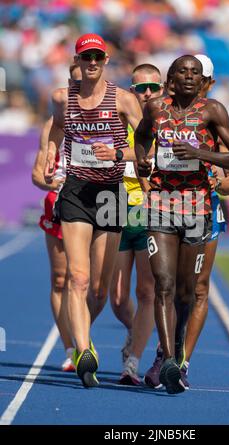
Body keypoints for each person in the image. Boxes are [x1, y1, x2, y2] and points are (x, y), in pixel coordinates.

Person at [135, 54, 229, 394]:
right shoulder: (155, 108)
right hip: (161, 206)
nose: (188, 76)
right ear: (171, 77)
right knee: (163, 285)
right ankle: (169, 361)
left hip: (197, 209)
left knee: (187, 291)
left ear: (202, 81)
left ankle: (178, 351)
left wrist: (202, 154)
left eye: (194, 73)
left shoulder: (213, 111)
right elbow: (141, 136)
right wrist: (142, 161)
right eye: (181, 71)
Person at [44, 33, 142, 388]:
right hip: (75, 192)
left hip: (111, 194)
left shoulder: (124, 100)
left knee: (100, 289)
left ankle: (87, 333)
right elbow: (55, 129)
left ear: (106, 59)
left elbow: (149, 147)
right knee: (77, 278)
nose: (92, 63)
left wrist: (117, 154)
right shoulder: (61, 98)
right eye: (86, 57)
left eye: (98, 57)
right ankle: (83, 353)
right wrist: (48, 154)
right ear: (78, 59)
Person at [109, 64, 164, 386]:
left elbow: (161, 148)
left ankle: (133, 362)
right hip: (115, 209)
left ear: (162, 90)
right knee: (115, 296)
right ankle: (134, 332)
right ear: (131, 91)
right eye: (140, 88)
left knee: (146, 290)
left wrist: (121, 154)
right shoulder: (119, 121)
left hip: (149, 211)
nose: (146, 94)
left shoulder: (167, 122)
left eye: (152, 88)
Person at [32, 64, 82, 372]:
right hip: (59, 203)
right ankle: (73, 348)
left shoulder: (110, 119)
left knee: (96, 286)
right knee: (62, 278)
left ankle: (127, 336)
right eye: (74, 84)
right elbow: (38, 174)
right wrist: (54, 181)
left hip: (95, 205)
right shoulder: (53, 125)